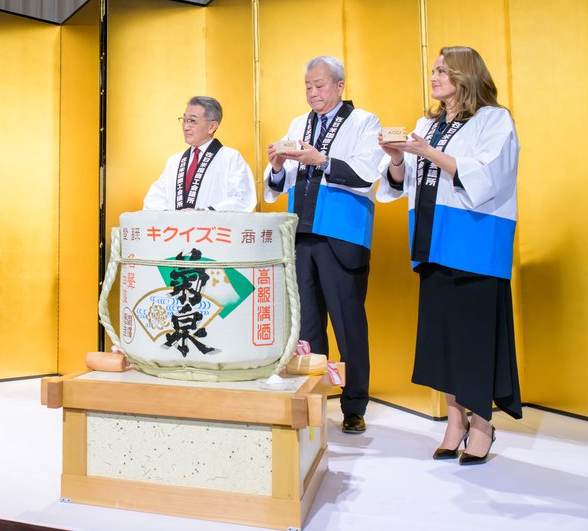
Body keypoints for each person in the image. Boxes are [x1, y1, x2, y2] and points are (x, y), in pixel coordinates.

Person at [377, 46, 521, 465]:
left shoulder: (494, 119)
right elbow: (404, 186)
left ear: (465, 75)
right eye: (434, 69)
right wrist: (399, 159)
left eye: (443, 70)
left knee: (473, 339)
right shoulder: (428, 122)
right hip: (433, 240)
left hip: (474, 242)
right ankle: (455, 421)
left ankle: (482, 426)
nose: (435, 76)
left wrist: (428, 153)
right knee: (444, 340)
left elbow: (488, 177)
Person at [264, 56, 382, 434]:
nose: (313, 93)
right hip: (301, 233)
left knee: (349, 324)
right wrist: (278, 165)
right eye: (308, 86)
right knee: (307, 326)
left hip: (342, 234)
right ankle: (313, 401)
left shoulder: (365, 121)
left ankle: (354, 406)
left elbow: (367, 174)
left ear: (340, 85)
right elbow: (277, 184)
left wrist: (323, 159)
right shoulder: (299, 124)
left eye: (320, 85)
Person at [143, 96, 256, 211]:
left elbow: (242, 200)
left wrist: (203, 213)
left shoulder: (231, 158)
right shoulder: (174, 161)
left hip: (212, 228)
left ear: (212, 127)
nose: (185, 127)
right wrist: (171, 215)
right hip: (177, 228)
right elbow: (153, 200)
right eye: (184, 120)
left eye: (192, 121)